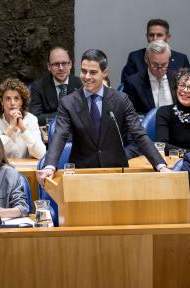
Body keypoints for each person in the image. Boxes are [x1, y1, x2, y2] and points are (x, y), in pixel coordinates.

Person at [36, 49, 169, 185]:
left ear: (104, 73)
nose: (87, 77)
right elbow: (60, 135)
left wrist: (160, 166)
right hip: (82, 174)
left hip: (116, 172)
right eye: (83, 71)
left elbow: (139, 134)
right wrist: (49, 166)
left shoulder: (120, 100)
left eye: (93, 72)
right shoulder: (69, 102)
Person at [0, 78, 47, 159]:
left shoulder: (31, 119)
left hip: (25, 166)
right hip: (0, 166)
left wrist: (23, 129)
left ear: (21, 101)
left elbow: (41, 154)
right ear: (1, 101)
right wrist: (10, 128)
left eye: (16, 98)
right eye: (8, 99)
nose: (12, 103)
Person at [155, 69, 190, 154]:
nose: (185, 90)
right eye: (182, 85)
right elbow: (162, 146)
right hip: (171, 160)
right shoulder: (164, 112)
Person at [120, 18, 190, 81]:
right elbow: (127, 84)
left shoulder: (181, 59)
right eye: (151, 35)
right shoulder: (135, 57)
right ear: (147, 36)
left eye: (159, 35)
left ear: (168, 37)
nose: (155, 38)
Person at [122, 40, 179, 114]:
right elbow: (129, 114)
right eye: (155, 65)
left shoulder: (177, 78)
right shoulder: (133, 83)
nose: (160, 69)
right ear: (146, 60)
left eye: (164, 64)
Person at [29, 46, 82, 125]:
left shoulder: (80, 84)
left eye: (64, 63)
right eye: (56, 64)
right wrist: (63, 115)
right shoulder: (38, 87)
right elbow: (35, 118)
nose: (61, 68)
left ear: (70, 64)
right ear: (49, 66)